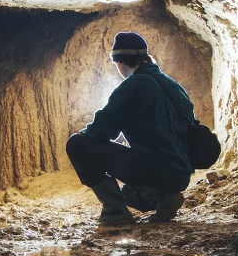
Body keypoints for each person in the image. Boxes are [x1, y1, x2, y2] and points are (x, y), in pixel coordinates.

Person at [66, 31, 195, 225]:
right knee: (129, 193)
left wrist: (85, 133)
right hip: (180, 174)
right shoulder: (172, 84)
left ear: (120, 62)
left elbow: (100, 131)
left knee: (77, 143)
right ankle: (162, 197)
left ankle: (115, 212)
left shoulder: (134, 84)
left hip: (157, 169)